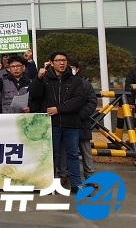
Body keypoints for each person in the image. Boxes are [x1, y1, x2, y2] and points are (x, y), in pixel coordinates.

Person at [28, 51, 87, 194]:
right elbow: (34, 95)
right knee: (51, 155)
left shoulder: (75, 80)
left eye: (64, 60)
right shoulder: (45, 79)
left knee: (73, 154)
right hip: (50, 124)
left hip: (70, 123)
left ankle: (76, 184)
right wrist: (38, 77)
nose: (62, 63)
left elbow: (79, 100)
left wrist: (59, 109)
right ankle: (48, 183)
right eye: (58, 60)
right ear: (51, 63)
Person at [57, 58, 98, 188]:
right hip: (66, 122)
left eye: (73, 67)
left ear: (78, 69)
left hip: (81, 122)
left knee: (85, 150)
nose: (70, 69)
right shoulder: (61, 83)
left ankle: (89, 176)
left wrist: (80, 115)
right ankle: (63, 174)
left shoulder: (85, 84)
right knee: (64, 150)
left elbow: (92, 102)